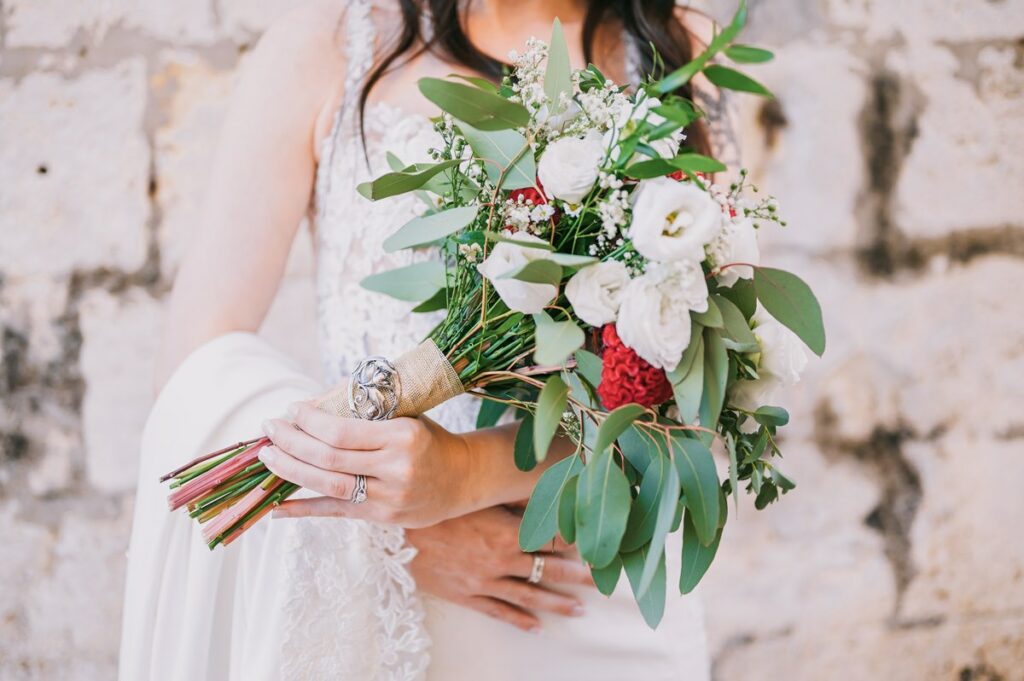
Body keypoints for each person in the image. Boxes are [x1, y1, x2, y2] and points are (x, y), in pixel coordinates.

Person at [122, 1, 739, 678]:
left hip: (601, 597)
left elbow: (710, 387)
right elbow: (196, 363)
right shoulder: (327, 48)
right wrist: (398, 534)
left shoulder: (679, 44)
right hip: (398, 602)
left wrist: (466, 473)